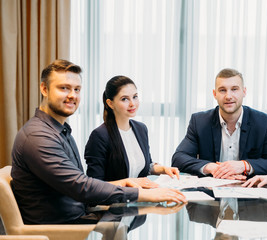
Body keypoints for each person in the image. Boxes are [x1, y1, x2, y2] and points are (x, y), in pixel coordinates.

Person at [11, 59, 186, 224]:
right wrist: (144, 194)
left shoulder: (59, 131)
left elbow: (78, 182)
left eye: (77, 89)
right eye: (64, 88)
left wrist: (123, 183)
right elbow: (81, 187)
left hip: (80, 215)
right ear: (44, 89)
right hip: (63, 227)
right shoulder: (38, 136)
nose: (72, 95)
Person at [172, 68, 267, 179]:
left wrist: (244, 166)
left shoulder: (263, 122)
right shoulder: (199, 121)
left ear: (244, 92)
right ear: (214, 93)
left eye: (234, 89)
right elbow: (178, 158)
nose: (228, 96)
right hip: (210, 192)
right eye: (222, 90)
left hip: (250, 190)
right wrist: (212, 167)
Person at [85, 76, 180, 183]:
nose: (132, 104)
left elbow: (146, 166)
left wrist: (163, 169)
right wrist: (129, 184)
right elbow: (95, 185)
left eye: (135, 97)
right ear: (110, 103)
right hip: (115, 198)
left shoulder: (141, 129)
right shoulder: (100, 135)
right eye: (124, 99)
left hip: (139, 195)